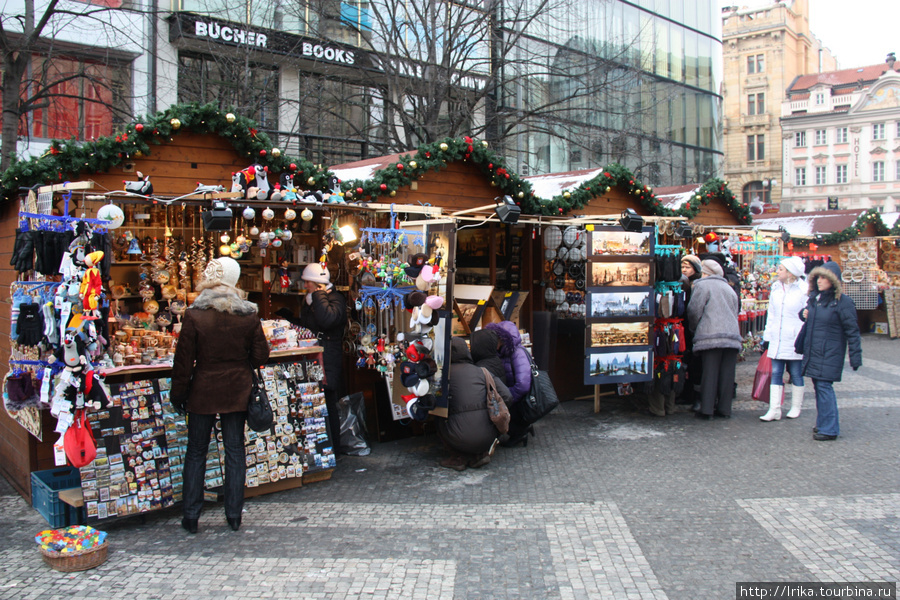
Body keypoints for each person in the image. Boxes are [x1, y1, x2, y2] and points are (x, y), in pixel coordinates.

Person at [171, 257, 270, 533]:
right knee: (235, 451)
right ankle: (234, 515)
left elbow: (183, 360)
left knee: (196, 452)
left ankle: (191, 516)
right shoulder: (248, 314)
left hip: (203, 389)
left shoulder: (195, 315)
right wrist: (242, 362)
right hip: (237, 389)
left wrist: (178, 393)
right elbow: (261, 355)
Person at [797, 261, 862, 441]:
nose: (820, 281)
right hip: (816, 351)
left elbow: (852, 331)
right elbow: (810, 318)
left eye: (824, 277)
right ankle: (823, 424)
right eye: (818, 277)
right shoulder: (815, 300)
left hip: (829, 352)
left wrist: (855, 357)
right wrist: (803, 314)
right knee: (819, 387)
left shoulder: (842, 302)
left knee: (824, 387)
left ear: (833, 281)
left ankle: (829, 428)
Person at [438, 337, 511, 470]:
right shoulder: (482, 371)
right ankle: (479, 455)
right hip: (489, 436)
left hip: (459, 437)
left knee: (438, 415)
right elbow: (507, 395)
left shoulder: (444, 376)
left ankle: (458, 458)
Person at [297, 263, 348, 447]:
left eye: (308, 283)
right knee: (316, 397)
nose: (305, 287)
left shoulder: (335, 298)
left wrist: (318, 294)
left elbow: (328, 320)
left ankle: (333, 445)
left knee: (328, 397)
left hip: (328, 353)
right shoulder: (312, 300)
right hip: (316, 352)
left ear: (317, 284)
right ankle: (321, 445)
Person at [686, 259, 742, 419]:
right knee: (727, 374)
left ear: (705, 272)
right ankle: (724, 409)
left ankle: (706, 409)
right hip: (731, 335)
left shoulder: (702, 285)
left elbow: (694, 310)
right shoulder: (728, 288)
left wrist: (695, 329)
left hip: (710, 334)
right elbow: (735, 310)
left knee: (709, 372)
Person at [759, 256, 807, 421]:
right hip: (777, 337)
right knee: (776, 372)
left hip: (794, 338)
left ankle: (795, 407)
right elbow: (771, 314)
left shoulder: (803, 290)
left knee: (795, 372)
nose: (777, 271)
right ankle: (774, 409)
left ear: (790, 273)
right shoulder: (776, 289)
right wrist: (767, 336)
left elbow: (806, 315)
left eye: (781, 269)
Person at [485, 321, 534, 446]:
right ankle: (523, 428)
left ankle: (519, 433)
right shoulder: (503, 352)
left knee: (512, 412)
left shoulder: (517, 353)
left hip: (517, 396)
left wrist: (507, 397)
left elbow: (523, 385)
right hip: (512, 392)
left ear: (502, 339)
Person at [679, 254, 703, 411]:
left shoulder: (697, 286)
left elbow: (694, 311)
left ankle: (692, 395)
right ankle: (686, 392)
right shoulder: (684, 284)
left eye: (687, 267)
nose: (684, 270)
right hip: (685, 327)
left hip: (693, 329)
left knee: (694, 364)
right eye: (682, 267)